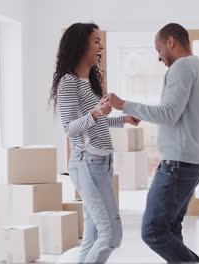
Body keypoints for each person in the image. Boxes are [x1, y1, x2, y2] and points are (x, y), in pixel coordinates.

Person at [103, 23, 199, 263]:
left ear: (171, 41)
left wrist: (124, 104)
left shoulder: (181, 68)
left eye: (159, 49)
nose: (158, 57)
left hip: (179, 163)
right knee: (171, 230)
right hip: (195, 160)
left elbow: (168, 114)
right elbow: (197, 120)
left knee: (153, 231)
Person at [49, 22, 140, 264]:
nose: (101, 45)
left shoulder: (89, 80)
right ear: (80, 45)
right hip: (87, 163)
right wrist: (97, 112)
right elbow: (70, 128)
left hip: (103, 163)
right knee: (111, 235)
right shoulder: (68, 82)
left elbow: (97, 122)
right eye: (96, 40)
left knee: (92, 235)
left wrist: (123, 120)